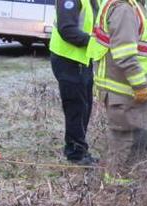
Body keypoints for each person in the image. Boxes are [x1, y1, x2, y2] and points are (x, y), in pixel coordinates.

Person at [87, 0, 147, 184]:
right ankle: (118, 186)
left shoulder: (131, 6)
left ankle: (118, 181)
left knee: (125, 138)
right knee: (124, 139)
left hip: (125, 88)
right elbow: (124, 54)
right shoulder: (125, 9)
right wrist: (140, 85)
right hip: (124, 89)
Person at [49, 0, 99, 166]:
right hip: (67, 59)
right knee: (76, 107)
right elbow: (67, 29)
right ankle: (75, 153)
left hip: (82, 60)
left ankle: (80, 149)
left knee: (85, 106)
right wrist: (93, 42)